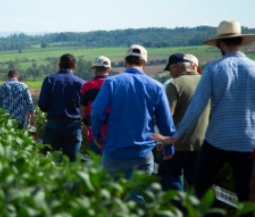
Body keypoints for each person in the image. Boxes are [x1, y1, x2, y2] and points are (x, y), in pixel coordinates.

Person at [152, 20, 255, 203]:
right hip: (248, 141)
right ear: (241, 42)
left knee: (200, 186)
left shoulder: (214, 69)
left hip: (217, 139)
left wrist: (176, 136)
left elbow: (196, 107)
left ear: (220, 44)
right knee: (246, 194)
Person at [90, 44, 175, 181]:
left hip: (114, 152)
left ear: (125, 61)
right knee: (137, 197)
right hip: (143, 153)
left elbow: (96, 112)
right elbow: (165, 122)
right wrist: (169, 147)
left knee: (112, 197)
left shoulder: (111, 82)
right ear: (145, 63)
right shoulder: (156, 87)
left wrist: (98, 137)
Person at [158, 53, 210, 192]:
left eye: (170, 70)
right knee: (196, 184)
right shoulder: (207, 81)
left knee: (168, 177)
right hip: (202, 143)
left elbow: (167, 115)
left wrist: (162, 141)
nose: (170, 74)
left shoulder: (174, 84)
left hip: (178, 144)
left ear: (175, 67)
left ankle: (178, 210)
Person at [38, 53, 85, 162]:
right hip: (73, 126)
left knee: (48, 162)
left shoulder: (49, 80)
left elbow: (42, 104)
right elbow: (84, 107)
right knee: (71, 163)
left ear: (59, 65)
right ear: (74, 67)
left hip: (53, 124)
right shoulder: (81, 83)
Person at [80, 56, 111, 156]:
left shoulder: (87, 86)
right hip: (113, 135)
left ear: (95, 70)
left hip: (94, 135)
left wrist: (86, 124)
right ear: (109, 69)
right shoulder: (116, 84)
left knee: (97, 168)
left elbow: (82, 111)